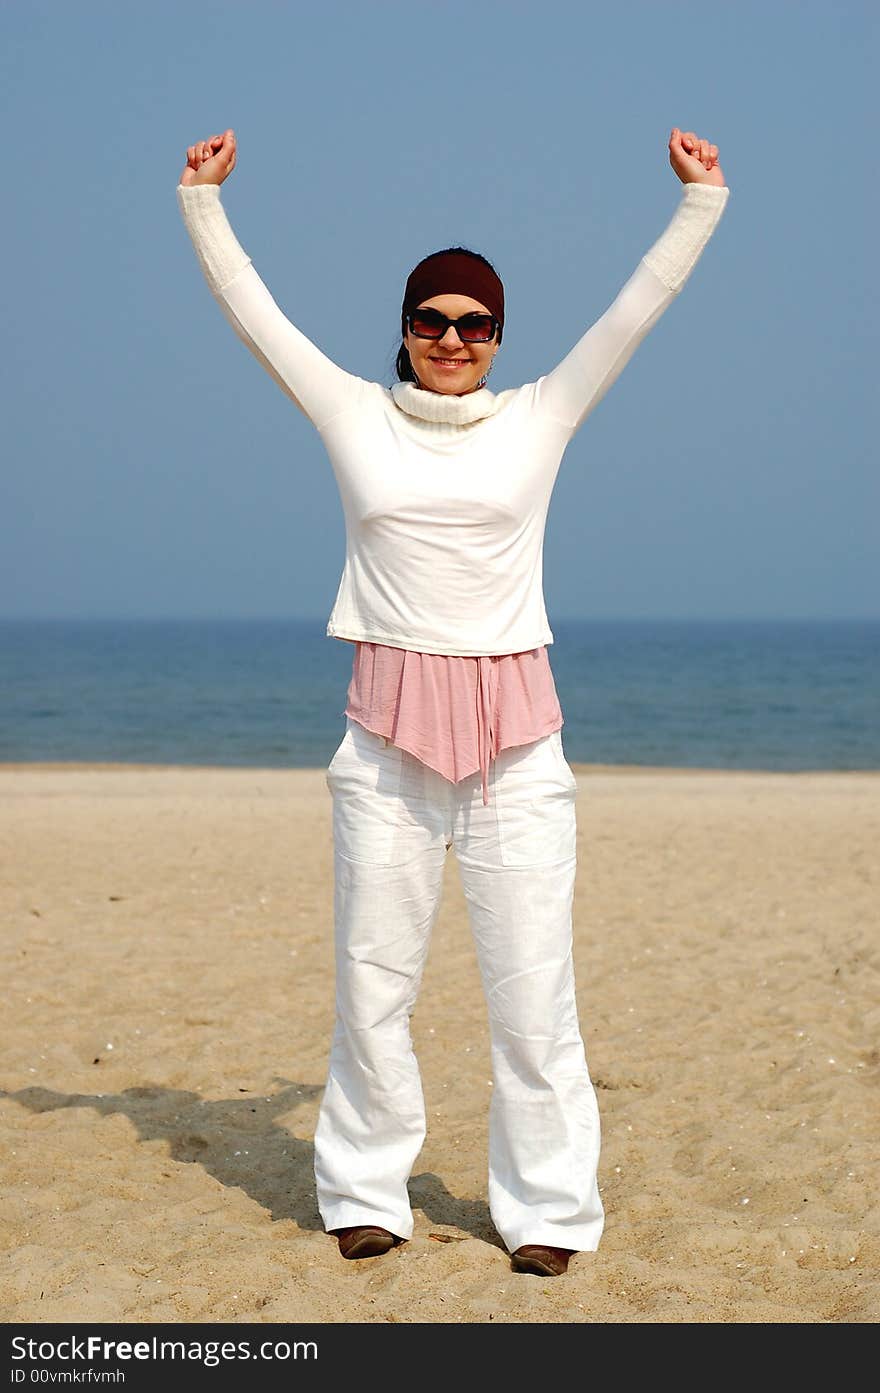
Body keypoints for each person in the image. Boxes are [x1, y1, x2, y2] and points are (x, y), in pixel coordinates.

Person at [176, 127, 729, 1277]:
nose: (451, 340)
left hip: (518, 743)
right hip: (382, 740)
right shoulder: (349, 412)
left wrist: (701, 199)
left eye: (475, 324)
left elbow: (636, 310)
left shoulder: (542, 414)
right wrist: (200, 197)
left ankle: (546, 1213)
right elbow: (253, 311)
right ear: (405, 329)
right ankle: (365, 1192)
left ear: (499, 338)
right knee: (373, 983)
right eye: (431, 319)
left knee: (533, 994)